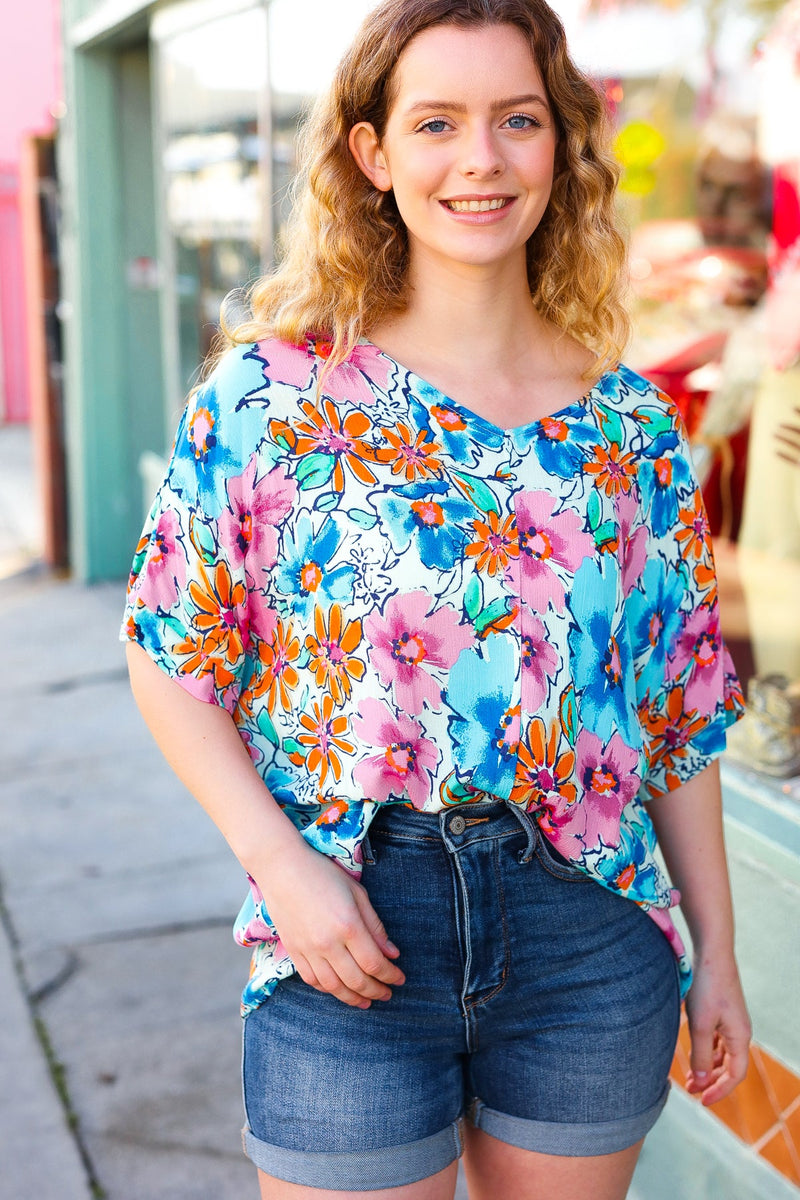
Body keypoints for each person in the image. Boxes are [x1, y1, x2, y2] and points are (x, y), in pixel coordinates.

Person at [123, 2, 752, 1197]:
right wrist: (283, 870)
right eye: (436, 123)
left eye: (516, 119)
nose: (480, 158)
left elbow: (677, 713)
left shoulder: (627, 429)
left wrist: (715, 953)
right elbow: (170, 654)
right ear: (373, 154)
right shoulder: (274, 394)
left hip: (585, 932)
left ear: (560, 144)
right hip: (348, 924)